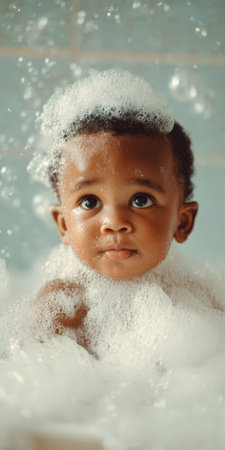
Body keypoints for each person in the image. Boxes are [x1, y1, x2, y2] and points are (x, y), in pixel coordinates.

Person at [33, 69, 215, 356]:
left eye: (141, 200)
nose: (114, 223)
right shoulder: (62, 307)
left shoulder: (201, 300)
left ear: (182, 221)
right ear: (64, 224)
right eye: (90, 202)